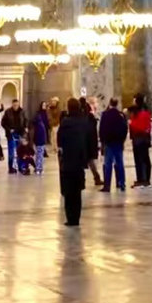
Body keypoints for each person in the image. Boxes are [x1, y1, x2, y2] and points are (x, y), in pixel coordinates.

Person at [57, 96, 90, 225]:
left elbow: (60, 139)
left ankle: (70, 217)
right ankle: (76, 217)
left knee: (69, 192)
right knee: (77, 192)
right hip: (79, 161)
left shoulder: (66, 122)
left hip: (68, 160)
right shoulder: (83, 121)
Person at [99, 98, 128, 192]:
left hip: (108, 142)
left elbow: (102, 129)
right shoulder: (121, 115)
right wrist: (122, 140)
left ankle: (107, 185)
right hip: (118, 142)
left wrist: (102, 141)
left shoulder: (105, 114)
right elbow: (125, 128)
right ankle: (121, 183)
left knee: (108, 164)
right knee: (120, 163)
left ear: (110, 104)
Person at [128, 95, 152, 188]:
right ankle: (142, 179)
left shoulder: (142, 113)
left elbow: (141, 127)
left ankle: (143, 180)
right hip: (140, 139)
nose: (133, 103)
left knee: (141, 160)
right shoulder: (141, 112)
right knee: (141, 159)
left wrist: (131, 123)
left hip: (140, 139)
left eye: (134, 101)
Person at [79, 97, 103, 186]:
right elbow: (93, 131)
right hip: (89, 143)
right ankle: (97, 178)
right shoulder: (90, 117)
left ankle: (81, 181)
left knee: (80, 162)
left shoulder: (79, 117)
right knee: (91, 162)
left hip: (81, 142)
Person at [2, 99, 26, 174]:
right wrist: (9, 129)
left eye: (17, 105)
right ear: (12, 105)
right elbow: (3, 123)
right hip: (11, 134)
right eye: (14, 105)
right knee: (11, 152)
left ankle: (20, 167)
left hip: (20, 133)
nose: (16, 106)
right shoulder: (8, 112)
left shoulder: (22, 111)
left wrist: (25, 127)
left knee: (20, 151)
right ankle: (11, 168)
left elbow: (25, 120)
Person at [32, 104, 50, 176]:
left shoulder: (36, 125)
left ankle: (38, 167)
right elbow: (43, 134)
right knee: (40, 155)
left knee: (38, 155)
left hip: (38, 142)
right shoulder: (41, 125)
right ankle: (39, 168)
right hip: (41, 142)